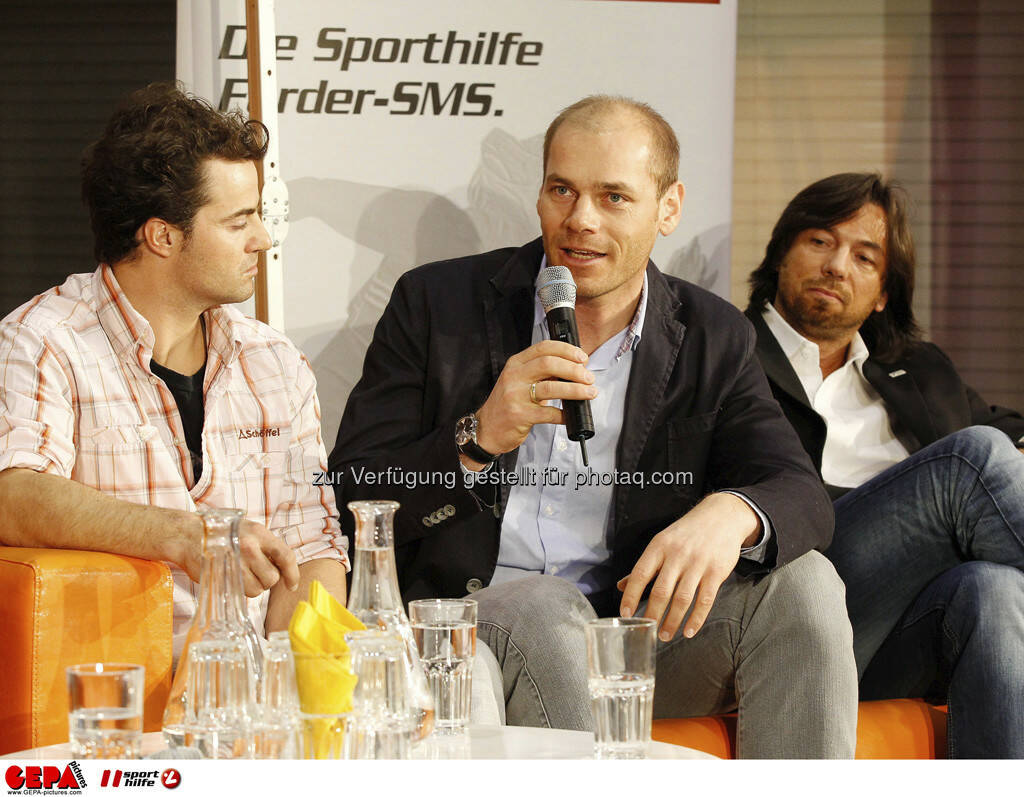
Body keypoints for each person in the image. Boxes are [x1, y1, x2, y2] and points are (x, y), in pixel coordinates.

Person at [330, 96, 858, 758]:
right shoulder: (438, 304)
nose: (580, 220)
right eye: (562, 190)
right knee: (547, 609)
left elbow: (798, 488)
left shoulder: (711, 333)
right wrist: (477, 437)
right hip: (470, 618)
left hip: (628, 628)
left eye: (613, 197)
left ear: (668, 208)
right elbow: (353, 492)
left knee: (807, 585)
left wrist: (734, 513)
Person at [0, 83, 349, 651]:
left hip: (248, 705)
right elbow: (13, 494)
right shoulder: (43, 340)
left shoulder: (276, 363)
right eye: (238, 222)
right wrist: (186, 536)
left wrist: (283, 690)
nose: (262, 238)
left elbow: (314, 552)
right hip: (107, 700)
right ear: (162, 235)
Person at [745, 172, 1024, 758]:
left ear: (881, 294)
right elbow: (978, 461)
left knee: (991, 588)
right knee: (971, 459)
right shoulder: (725, 350)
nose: (836, 265)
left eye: (864, 256)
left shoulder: (918, 370)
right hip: (793, 597)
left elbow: (1007, 436)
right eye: (820, 241)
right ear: (780, 256)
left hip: (888, 640)